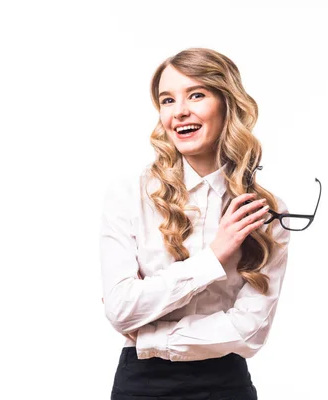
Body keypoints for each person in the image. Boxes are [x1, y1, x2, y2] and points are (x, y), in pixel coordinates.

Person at [100, 47, 290, 400]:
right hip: (141, 388)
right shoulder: (130, 195)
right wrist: (214, 258)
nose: (180, 112)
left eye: (197, 95)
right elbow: (121, 308)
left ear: (227, 103)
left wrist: (151, 337)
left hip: (226, 387)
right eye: (167, 100)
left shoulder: (264, 210)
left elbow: (249, 330)